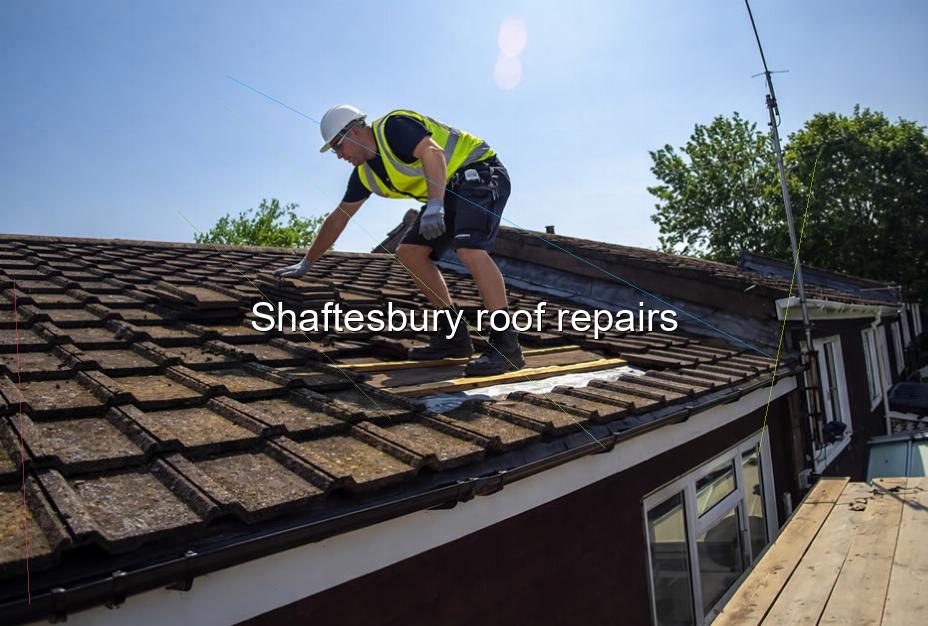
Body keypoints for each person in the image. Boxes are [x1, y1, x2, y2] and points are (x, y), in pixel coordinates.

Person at [273, 105, 524, 376]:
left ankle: (506, 346)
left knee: (469, 248)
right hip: (446, 190)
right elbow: (339, 218)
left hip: (479, 170)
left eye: (338, 146)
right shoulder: (365, 175)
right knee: (409, 252)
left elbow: (433, 152)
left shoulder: (393, 127)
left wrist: (436, 204)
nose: (338, 155)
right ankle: (455, 338)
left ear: (355, 131)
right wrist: (307, 262)